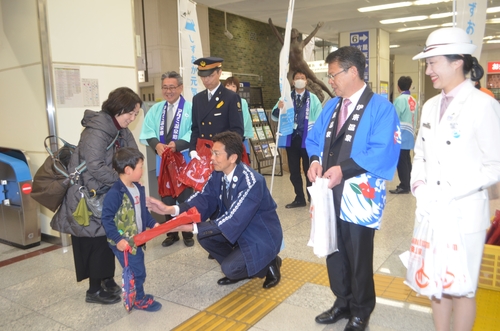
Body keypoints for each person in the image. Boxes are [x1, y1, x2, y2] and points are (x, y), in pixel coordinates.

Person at [410, 27, 500, 331]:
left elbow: (494, 165)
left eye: (433, 62)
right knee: (435, 280)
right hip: (431, 211)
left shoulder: (483, 105)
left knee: (461, 286)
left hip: (463, 214)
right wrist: (420, 187)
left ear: (457, 62)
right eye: (427, 63)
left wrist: (450, 191)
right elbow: (419, 154)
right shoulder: (430, 105)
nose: (428, 69)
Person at [306, 47, 400, 331]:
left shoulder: (382, 108)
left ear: (353, 72)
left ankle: (361, 308)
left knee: (358, 252)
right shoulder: (331, 106)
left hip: (360, 194)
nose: (330, 80)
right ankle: (342, 301)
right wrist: (314, 160)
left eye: (333, 74)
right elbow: (313, 138)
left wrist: (343, 169)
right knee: (333, 247)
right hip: (329, 192)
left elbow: (383, 149)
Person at [146, 131, 284, 289]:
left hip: (259, 235)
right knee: (206, 237)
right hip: (238, 231)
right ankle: (243, 264)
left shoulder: (252, 181)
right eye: (212, 152)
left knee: (229, 268)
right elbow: (202, 199)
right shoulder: (217, 174)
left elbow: (234, 219)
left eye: (216, 154)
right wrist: (170, 209)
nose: (211, 158)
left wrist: (192, 227)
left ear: (232, 158)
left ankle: (269, 263)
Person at [51, 87, 142, 304]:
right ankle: (93, 290)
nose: (132, 118)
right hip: (87, 196)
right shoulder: (97, 131)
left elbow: (133, 154)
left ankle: (107, 279)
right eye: (130, 113)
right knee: (94, 241)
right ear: (119, 109)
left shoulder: (121, 129)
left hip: (105, 191)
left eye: (136, 114)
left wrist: (132, 173)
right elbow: (95, 166)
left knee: (108, 237)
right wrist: (123, 180)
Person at [101, 147, 161, 311]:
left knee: (138, 269)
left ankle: (137, 295)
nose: (142, 170)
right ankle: (139, 300)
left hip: (136, 240)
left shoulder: (138, 188)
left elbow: (142, 212)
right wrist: (118, 240)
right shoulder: (116, 193)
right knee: (137, 272)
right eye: (140, 166)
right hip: (124, 243)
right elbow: (106, 218)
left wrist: (153, 223)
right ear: (128, 170)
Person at [139, 71, 194, 248]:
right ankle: (171, 233)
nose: (168, 91)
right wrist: (156, 145)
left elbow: (194, 131)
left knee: (186, 197)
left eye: (172, 87)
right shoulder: (156, 109)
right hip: (163, 162)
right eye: (165, 87)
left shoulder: (190, 109)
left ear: (180, 88)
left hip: (183, 160)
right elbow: (148, 131)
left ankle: (187, 232)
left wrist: (177, 144)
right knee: (166, 197)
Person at [271, 70, 323, 208]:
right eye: (297, 78)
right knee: (294, 170)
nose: (300, 80)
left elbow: (319, 118)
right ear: (293, 82)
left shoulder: (313, 98)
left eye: (302, 78)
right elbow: (274, 115)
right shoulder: (285, 98)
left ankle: (312, 197)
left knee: (309, 169)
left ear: (306, 81)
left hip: (307, 139)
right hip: (291, 138)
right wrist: (279, 108)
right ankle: (299, 197)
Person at [189, 57, 244, 161]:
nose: (206, 80)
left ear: (219, 73)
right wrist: (192, 149)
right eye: (203, 76)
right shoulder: (197, 99)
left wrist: (227, 151)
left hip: (223, 153)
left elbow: (237, 130)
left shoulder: (230, 97)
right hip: (203, 152)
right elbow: (195, 128)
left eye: (210, 76)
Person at [268, 18, 334, 101]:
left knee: (315, 80)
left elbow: (311, 36)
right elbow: (277, 34)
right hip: (292, 68)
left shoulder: (301, 43)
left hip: (302, 65)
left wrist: (317, 27)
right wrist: (271, 25)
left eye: (294, 31)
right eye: (291, 32)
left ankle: (331, 95)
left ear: (297, 35)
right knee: (286, 85)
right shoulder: (287, 44)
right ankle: (285, 101)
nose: (292, 33)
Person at [389, 76, 417, 194]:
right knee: (406, 159)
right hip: (410, 132)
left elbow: (394, 117)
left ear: (398, 87)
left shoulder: (400, 100)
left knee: (401, 161)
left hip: (401, 132)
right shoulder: (413, 99)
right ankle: (409, 182)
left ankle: (404, 185)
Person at [224, 76, 253, 160]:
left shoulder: (242, 102)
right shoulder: (221, 102)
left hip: (238, 138)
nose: (231, 88)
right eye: (228, 85)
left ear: (237, 89)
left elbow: (244, 120)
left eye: (234, 86)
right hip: (224, 139)